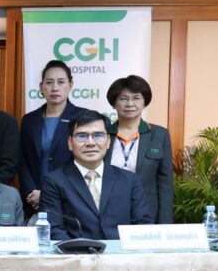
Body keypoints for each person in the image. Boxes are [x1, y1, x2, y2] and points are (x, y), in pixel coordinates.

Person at [40, 110, 153, 240]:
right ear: (70, 143)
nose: (90, 143)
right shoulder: (54, 181)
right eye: (82, 136)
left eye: (98, 136)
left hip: (120, 251)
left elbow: (143, 225)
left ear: (108, 141)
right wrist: (83, 249)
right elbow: (53, 229)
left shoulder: (129, 180)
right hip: (76, 251)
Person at [106, 75, 174, 224]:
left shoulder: (159, 134)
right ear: (114, 104)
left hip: (146, 212)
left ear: (144, 103)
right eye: (123, 99)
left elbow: (165, 182)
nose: (130, 104)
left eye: (136, 98)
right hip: (108, 211)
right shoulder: (103, 134)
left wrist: (165, 223)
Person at [19, 60, 81, 214]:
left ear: (70, 85)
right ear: (41, 87)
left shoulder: (82, 118)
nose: (55, 88)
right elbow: (23, 161)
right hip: (34, 200)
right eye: (49, 82)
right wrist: (32, 192)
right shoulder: (29, 120)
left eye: (61, 82)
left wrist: (49, 195)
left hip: (70, 199)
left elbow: (82, 162)